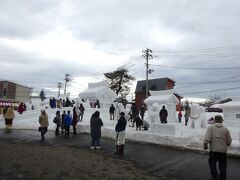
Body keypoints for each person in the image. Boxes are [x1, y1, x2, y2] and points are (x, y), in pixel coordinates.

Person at [203, 115, 232, 180]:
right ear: (221, 121)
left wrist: (205, 145)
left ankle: (214, 177)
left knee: (212, 164)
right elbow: (229, 141)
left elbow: (207, 139)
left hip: (213, 151)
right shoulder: (226, 129)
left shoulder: (210, 128)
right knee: (223, 166)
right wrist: (225, 145)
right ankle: (222, 178)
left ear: (215, 120)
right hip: (223, 152)